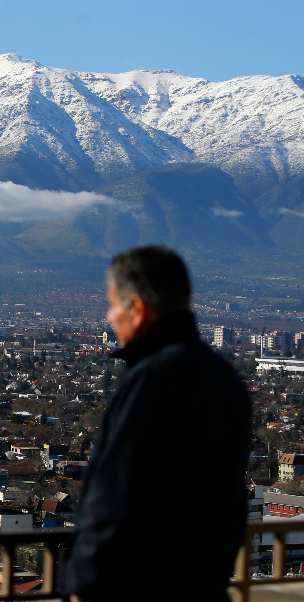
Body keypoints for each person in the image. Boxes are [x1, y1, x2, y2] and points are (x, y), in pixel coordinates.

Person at [60, 246, 251, 601]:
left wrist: (85, 583)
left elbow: (117, 495)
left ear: (138, 308)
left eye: (113, 304)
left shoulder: (152, 381)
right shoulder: (225, 379)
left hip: (138, 587)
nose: (108, 316)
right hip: (204, 586)